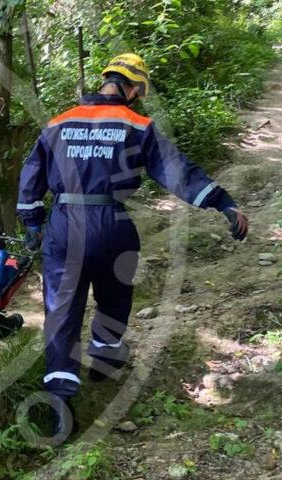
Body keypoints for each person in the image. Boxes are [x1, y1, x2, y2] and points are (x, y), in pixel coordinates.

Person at [16, 53, 249, 431]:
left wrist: (31, 222)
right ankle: (105, 356)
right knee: (114, 291)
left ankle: (59, 396)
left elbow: (31, 175)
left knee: (62, 306)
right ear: (135, 89)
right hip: (111, 221)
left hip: (63, 223)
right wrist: (222, 201)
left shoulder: (59, 122)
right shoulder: (137, 124)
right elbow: (176, 171)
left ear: (106, 80)